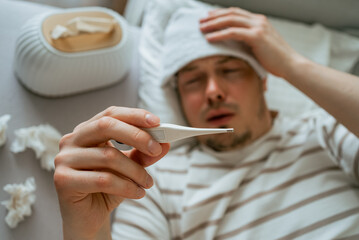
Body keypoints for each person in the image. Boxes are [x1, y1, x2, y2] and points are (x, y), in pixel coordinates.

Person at [53, 6, 359, 240]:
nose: (213, 92)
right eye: (194, 81)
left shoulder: (325, 129)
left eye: (230, 70)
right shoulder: (154, 180)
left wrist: (292, 64)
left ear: (263, 80)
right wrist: (85, 228)